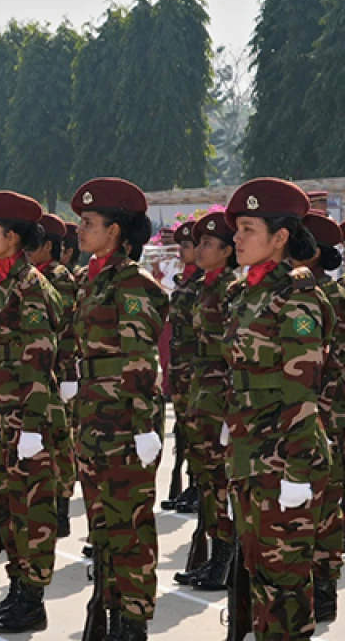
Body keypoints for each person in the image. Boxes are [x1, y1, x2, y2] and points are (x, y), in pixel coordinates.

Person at [223, 178, 334, 640]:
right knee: (260, 576)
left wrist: (297, 472)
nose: (237, 238)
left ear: (280, 237)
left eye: (248, 228)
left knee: (285, 586)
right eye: (237, 229)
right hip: (250, 456)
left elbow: (303, 392)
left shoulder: (296, 297)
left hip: (283, 459)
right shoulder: (245, 293)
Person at [71, 177, 167, 641]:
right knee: (103, 528)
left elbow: (141, 358)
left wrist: (145, 426)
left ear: (114, 230)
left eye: (88, 222)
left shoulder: (133, 284)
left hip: (126, 424)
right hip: (94, 421)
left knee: (130, 528)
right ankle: (109, 611)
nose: (79, 229)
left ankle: (132, 622)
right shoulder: (92, 281)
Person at [0, 191, 62, 632]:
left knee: (32, 509)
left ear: (13, 237)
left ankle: (31, 598)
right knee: (6, 508)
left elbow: (40, 358)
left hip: (27, 416)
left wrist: (32, 424)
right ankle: (16, 588)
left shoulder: (31, 287)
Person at [172, 212, 241, 593]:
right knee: (208, 477)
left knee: (223, 479)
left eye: (209, 244)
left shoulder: (232, 289)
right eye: (198, 243)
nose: (199, 249)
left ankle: (226, 558)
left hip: (222, 396)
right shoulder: (203, 287)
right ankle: (217, 554)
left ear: (228, 251)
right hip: (202, 391)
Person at [297, 211, 343, 622]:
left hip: (330, 416)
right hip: (311, 414)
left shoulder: (328, 297)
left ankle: (324, 588)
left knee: (325, 506)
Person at [28, 213, 79, 540]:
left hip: (58, 372)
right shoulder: (34, 276)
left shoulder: (58, 278)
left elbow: (67, 329)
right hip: (40, 371)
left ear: (48, 246)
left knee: (60, 440)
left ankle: (61, 505)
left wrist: (69, 373)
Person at [164, 220, 204, 513]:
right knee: (183, 430)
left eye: (188, 245)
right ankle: (190, 484)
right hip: (181, 368)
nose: (183, 251)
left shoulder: (206, 285)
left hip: (198, 370)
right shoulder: (185, 282)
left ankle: (199, 486)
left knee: (199, 431)